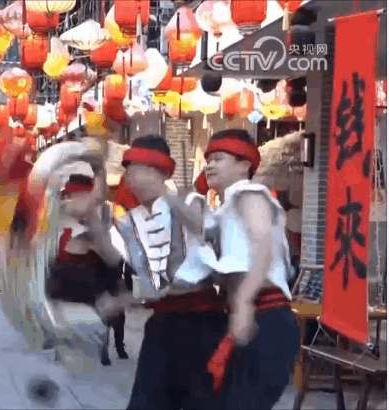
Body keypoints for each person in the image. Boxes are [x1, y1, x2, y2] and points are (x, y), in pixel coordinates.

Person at [163, 129, 298, 410]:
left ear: (244, 165)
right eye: (208, 160)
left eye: (219, 159)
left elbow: (263, 243)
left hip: (265, 317)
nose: (209, 166)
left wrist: (244, 302)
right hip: (242, 319)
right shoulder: (223, 210)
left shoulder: (251, 194)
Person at [109, 135, 226, 410]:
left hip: (201, 325)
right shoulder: (135, 219)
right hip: (164, 324)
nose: (130, 179)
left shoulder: (190, 204)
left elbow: (215, 263)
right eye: (128, 171)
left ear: (160, 171)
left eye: (137, 170)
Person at [47, 164, 128, 366]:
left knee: (108, 309)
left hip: (96, 266)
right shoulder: (63, 211)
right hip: (75, 267)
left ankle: (110, 346)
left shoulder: (106, 209)